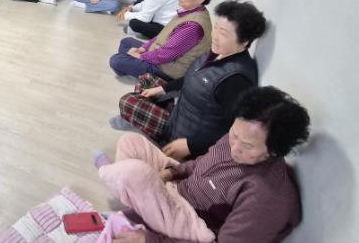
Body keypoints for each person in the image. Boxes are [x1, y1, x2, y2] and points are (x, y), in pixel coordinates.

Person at [93, 86, 310, 243]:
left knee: (135, 174)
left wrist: (150, 240)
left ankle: (119, 185)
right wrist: (170, 173)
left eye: (247, 146)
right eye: (234, 134)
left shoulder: (267, 197)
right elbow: (201, 164)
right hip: (179, 190)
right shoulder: (233, 140)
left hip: (194, 223)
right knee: (131, 142)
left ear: (274, 151)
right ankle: (136, 199)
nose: (235, 148)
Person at [111, 0, 267, 161]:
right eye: (216, 28)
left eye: (223, 33)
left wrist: (189, 145)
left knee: (128, 102)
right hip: (181, 108)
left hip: (182, 134)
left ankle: (147, 129)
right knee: (147, 80)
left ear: (244, 42)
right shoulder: (217, 52)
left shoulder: (236, 80)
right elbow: (193, 76)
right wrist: (162, 89)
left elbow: (230, 131)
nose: (215, 36)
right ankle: (140, 119)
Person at [109, 0, 218, 80]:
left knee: (116, 60)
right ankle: (131, 65)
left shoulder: (193, 26)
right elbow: (162, 35)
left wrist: (140, 56)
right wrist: (143, 48)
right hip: (160, 52)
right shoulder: (189, 11)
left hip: (167, 69)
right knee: (126, 42)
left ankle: (139, 71)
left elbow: (165, 55)